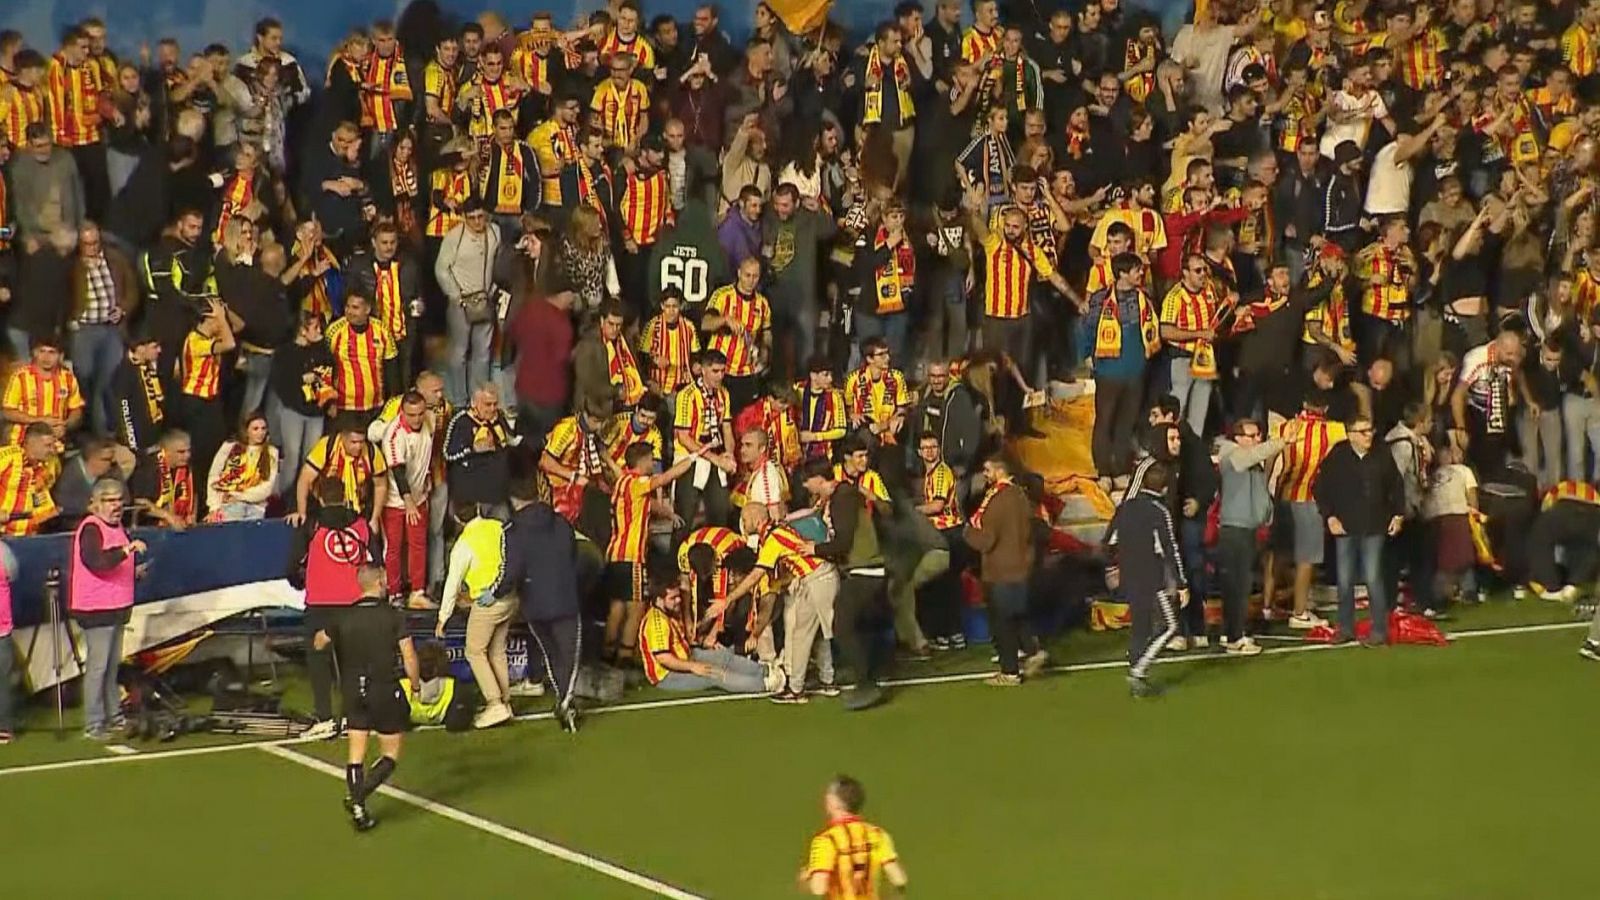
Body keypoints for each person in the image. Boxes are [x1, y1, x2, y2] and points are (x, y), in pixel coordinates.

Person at [326, 564, 421, 832]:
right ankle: (359, 796)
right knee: (390, 752)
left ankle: (358, 807)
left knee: (356, 753)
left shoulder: (344, 617)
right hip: (383, 688)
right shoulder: (392, 615)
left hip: (354, 690)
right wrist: (415, 684)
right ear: (379, 582)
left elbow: (320, 640)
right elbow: (409, 654)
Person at [287, 479, 379, 740]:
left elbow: (292, 564)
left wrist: (301, 581)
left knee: (319, 661)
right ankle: (353, 717)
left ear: (320, 497)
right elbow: (376, 561)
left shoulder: (313, 525)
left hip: (321, 603)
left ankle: (325, 718)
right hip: (354, 603)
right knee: (352, 662)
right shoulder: (361, 524)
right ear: (344, 495)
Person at [602, 441, 705, 666]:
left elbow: (647, 505)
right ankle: (626, 656)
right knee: (637, 605)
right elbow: (666, 477)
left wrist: (668, 513)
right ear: (642, 461)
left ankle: (608, 652)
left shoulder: (622, 482)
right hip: (632, 556)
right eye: (651, 459)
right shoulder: (639, 482)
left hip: (614, 554)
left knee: (617, 604)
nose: (653, 463)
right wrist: (694, 457)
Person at [802, 458, 890, 710]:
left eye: (808, 483)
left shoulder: (843, 498)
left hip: (866, 570)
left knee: (842, 625)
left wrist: (814, 548)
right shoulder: (842, 496)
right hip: (864, 569)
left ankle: (866, 684)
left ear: (818, 479)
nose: (808, 488)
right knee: (850, 624)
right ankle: (867, 676)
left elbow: (843, 542)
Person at [1314, 416, 1405, 646]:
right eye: (1363, 431)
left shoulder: (1381, 454)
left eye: (1370, 430)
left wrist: (1398, 514)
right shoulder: (1338, 456)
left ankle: (1379, 631)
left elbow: (1396, 485)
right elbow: (1321, 488)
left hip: (1375, 524)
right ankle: (1345, 628)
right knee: (1345, 581)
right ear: (1350, 434)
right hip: (1345, 525)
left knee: (1373, 578)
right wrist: (1330, 516)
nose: (1369, 435)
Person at [68, 477, 147, 740]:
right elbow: (97, 562)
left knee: (112, 667)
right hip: (96, 608)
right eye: (109, 500)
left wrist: (133, 571)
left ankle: (114, 717)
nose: (116, 506)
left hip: (116, 606)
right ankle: (94, 723)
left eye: (119, 500)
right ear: (96, 504)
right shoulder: (91, 528)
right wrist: (127, 551)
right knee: (98, 667)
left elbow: (112, 564)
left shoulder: (117, 527)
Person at [502, 471, 582, 732]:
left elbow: (511, 571)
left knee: (553, 655)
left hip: (535, 604)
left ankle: (564, 700)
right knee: (568, 657)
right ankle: (565, 701)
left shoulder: (512, 530)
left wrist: (496, 591)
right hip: (565, 599)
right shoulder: (561, 523)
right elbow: (573, 555)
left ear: (514, 499)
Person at [1108, 460, 1187, 697]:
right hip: (1152, 578)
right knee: (1169, 626)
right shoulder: (1159, 512)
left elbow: (1111, 541)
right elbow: (1169, 548)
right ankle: (1138, 671)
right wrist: (1181, 583)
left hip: (1129, 575)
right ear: (1164, 489)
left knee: (1140, 626)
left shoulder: (1125, 508)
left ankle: (1136, 670)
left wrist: (1111, 569)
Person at [964, 453, 1044, 685]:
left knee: (1003, 623)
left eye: (988, 470)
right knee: (1017, 616)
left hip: (1000, 570)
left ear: (1000, 471)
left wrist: (967, 533)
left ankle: (1009, 672)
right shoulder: (1020, 494)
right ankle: (1033, 651)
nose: (985, 475)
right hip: (1021, 567)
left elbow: (987, 541)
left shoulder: (997, 500)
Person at [436, 503, 514, 729]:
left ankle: (495, 702)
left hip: (488, 602)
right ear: (479, 509)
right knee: (496, 648)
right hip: (511, 596)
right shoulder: (498, 527)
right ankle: (505, 701)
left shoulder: (463, 544)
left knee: (474, 650)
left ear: (457, 519)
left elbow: (452, 584)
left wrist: (443, 617)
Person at [1214, 420, 1285, 656]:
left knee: (1237, 584)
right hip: (1236, 529)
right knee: (1238, 584)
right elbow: (1253, 456)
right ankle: (1236, 637)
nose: (1257, 440)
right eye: (1252, 436)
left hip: (1246, 528)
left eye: (1259, 435)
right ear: (1238, 438)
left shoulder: (1248, 459)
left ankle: (1230, 631)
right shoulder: (1231, 455)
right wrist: (1283, 441)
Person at [638, 577, 777, 693]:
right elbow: (664, 659)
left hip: (687, 655)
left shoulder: (669, 612)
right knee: (713, 674)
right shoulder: (656, 622)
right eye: (673, 598)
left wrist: (703, 641)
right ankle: (765, 685)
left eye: (678, 596)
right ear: (658, 600)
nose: (678, 601)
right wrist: (693, 667)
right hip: (667, 675)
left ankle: (765, 671)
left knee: (722, 656)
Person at [802, 775, 908, 898]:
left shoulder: (827, 840)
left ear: (833, 802)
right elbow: (899, 879)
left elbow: (819, 888)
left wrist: (807, 878)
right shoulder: (877, 835)